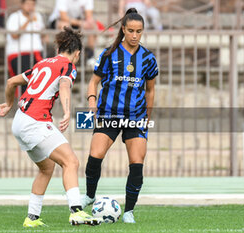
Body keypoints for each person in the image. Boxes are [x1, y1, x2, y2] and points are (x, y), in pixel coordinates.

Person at [0, 27, 101, 227]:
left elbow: (11, 82)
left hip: (19, 120)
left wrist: (8, 104)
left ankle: (31, 218)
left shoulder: (42, 63)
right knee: (71, 162)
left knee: (46, 168)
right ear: (77, 53)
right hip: (36, 121)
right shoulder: (68, 65)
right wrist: (67, 111)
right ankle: (76, 211)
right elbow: (65, 85)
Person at [81, 8, 158, 223]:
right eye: (131, 30)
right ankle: (89, 195)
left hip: (136, 116)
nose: (134, 35)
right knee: (95, 155)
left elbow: (150, 90)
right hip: (108, 113)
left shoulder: (148, 59)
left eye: (139, 31)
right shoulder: (109, 54)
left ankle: (129, 211)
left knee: (136, 161)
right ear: (123, 29)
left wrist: (147, 116)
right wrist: (92, 102)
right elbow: (93, 81)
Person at [6, 0, 47, 95]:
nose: (30, 7)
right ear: (22, 5)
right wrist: (28, 21)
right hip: (19, 55)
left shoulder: (38, 17)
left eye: (32, 4)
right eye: (28, 4)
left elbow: (43, 36)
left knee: (41, 83)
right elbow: (14, 35)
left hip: (36, 54)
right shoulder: (15, 17)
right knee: (25, 82)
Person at [48, 0, 97, 66]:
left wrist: (87, 23)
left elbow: (89, 16)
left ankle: (90, 56)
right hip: (58, 20)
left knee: (91, 25)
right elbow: (63, 17)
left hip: (76, 21)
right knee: (65, 26)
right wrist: (81, 23)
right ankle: (63, 54)